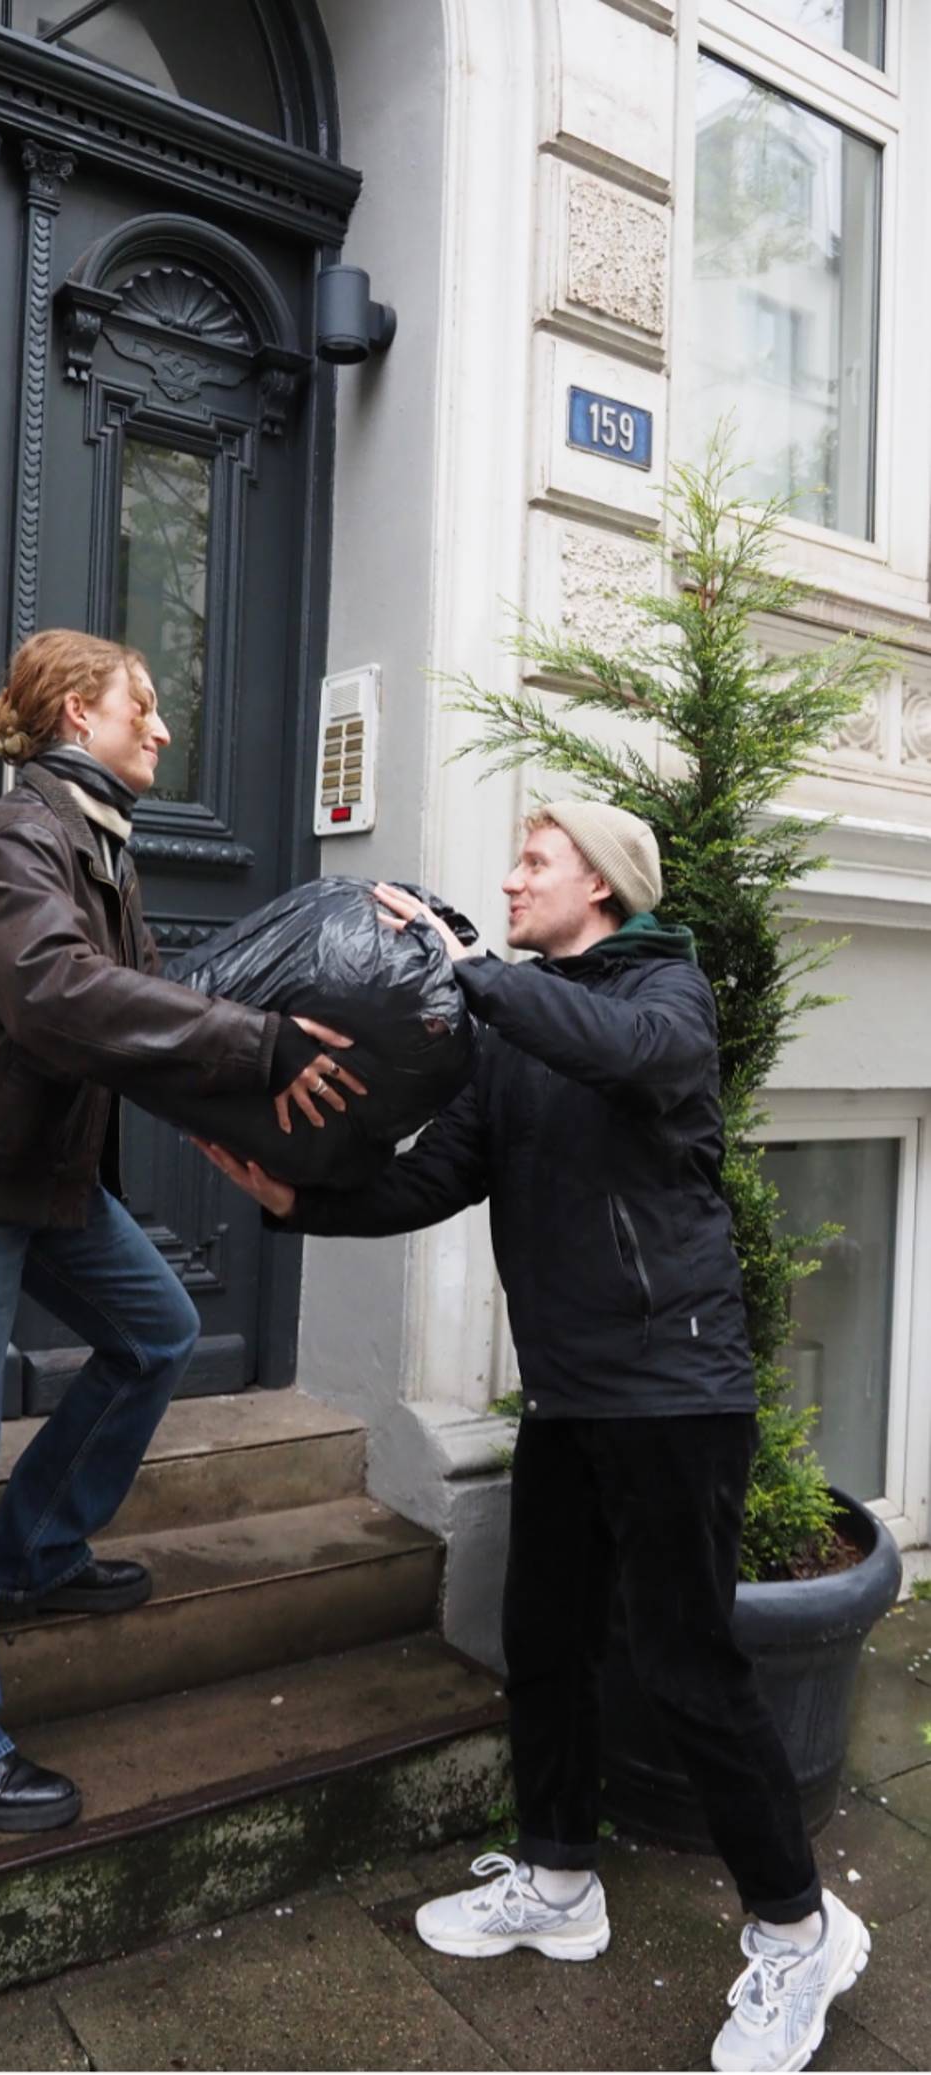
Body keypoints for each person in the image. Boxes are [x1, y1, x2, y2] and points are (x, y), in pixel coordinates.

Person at [196, 798, 869, 2075]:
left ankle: (798, 1927)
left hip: (675, 1390)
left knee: (687, 1663)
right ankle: (560, 1879)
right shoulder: (509, 1033)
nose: (508, 880)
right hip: (571, 1390)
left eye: (535, 862)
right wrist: (299, 1201)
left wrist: (471, 973)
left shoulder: (665, 990)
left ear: (604, 887)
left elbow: (628, 1053)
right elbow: (437, 1172)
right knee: (546, 1636)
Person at [0, 628, 363, 1835]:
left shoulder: (96, 845)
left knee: (158, 1330)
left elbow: (155, 1010)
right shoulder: (17, 838)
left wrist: (257, 1079)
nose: (167, 728)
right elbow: (59, 997)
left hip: (38, 1177)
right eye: (148, 704)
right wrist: (256, 1046)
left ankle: (32, 1551)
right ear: (82, 712)